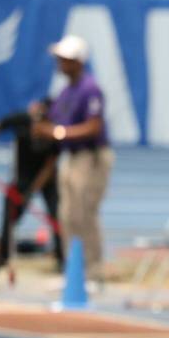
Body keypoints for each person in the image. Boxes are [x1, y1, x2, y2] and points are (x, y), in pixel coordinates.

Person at [33, 35, 113, 285]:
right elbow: (54, 119)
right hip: (71, 156)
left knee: (85, 213)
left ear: (77, 62)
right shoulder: (66, 91)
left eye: (64, 59)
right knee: (67, 215)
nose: (59, 64)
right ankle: (74, 271)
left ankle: (94, 271)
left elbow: (93, 126)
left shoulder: (90, 88)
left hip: (90, 156)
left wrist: (56, 132)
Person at [0, 97, 63, 269]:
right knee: (9, 211)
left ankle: (62, 256)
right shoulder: (22, 119)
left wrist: (32, 191)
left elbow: (50, 166)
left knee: (56, 213)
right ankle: (3, 255)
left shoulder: (56, 133)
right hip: (22, 176)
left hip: (46, 179)